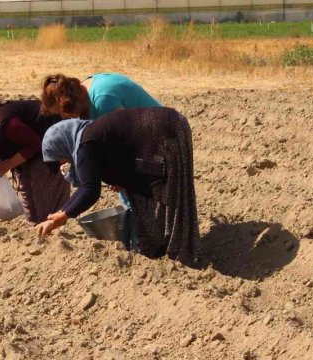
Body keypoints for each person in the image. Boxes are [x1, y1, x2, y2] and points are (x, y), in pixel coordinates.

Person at [35, 108, 199, 265]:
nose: (65, 163)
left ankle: (179, 255)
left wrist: (62, 216)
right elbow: (119, 153)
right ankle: (168, 249)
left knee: (170, 193)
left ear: (62, 144)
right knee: (159, 198)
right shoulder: (89, 135)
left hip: (165, 132)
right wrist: (61, 212)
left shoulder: (86, 144)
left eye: (61, 159)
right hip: (168, 126)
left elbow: (90, 191)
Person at [40, 72, 161, 119]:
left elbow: (125, 134)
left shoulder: (102, 100)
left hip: (163, 133)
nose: (64, 117)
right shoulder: (82, 89)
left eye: (62, 113)